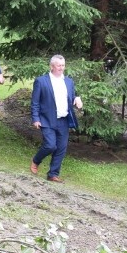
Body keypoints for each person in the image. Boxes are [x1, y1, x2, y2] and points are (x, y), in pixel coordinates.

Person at [30, 54, 83, 183]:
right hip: (47, 119)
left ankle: (53, 174)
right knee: (50, 145)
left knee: (61, 148)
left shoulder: (69, 81)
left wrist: (77, 98)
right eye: (59, 65)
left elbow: (72, 96)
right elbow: (35, 102)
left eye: (63, 65)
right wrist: (36, 119)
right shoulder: (41, 81)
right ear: (52, 66)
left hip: (63, 120)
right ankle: (36, 160)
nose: (61, 68)